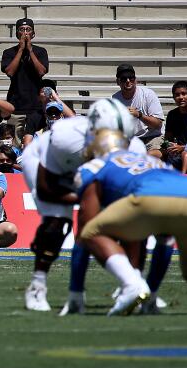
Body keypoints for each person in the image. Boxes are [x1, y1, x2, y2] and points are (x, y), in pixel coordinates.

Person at [19, 99, 145, 312]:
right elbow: (45, 189)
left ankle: (134, 281)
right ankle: (37, 285)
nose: (115, 143)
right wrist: (87, 200)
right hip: (53, 167)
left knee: (129, 220)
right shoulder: (64, 140)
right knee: (56, 223)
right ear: (93, 131)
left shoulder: (135, 147)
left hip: (88, 170)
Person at [76, 133, 187, 315]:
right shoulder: (145, 159)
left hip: (152, 197)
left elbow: (86, 221)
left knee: (90, 231)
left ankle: (132, 285)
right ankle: (150, 298)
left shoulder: (98, 164)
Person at [1, 18, 49, 140]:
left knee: (35, 140)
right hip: (16, 104)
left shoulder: (41, 51)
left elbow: (41, 71)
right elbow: (10, 72)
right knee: (16, 141)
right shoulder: (9, 52)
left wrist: (30, 50)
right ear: (17, 34)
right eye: (22, 30)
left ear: (33, 34)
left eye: (28, 29)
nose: (25, 33)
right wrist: (21, 49)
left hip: (36, 105)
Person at [111, 64, 164, 145]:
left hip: (153, 137)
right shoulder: (115, 99)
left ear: (136, 80)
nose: (128, 81)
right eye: (123, 78)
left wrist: (139, 115)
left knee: (153, 154)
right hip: (130, 140)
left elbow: (158, 124)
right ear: (118, 82)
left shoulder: (148, 94)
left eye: (131, 78)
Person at [156, 81, 187, 169]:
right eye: (177, 95)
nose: (181, 97)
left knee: (185, 155)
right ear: (174, 98)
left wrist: (183, 148)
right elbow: (168, 138)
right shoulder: (172, 114)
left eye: (184, 94)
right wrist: (168, 147)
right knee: (151, 155)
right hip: (176, 150)